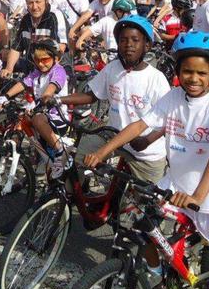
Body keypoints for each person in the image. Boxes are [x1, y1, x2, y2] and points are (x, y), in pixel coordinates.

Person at [84, 31, 209, 289]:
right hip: (176, 182)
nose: (193, 79)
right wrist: (103, 152)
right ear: (178, 71)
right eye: (186, 71)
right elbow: (138, 126)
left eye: (200, 73)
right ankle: (157, 272)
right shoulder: (173, 97)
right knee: (142, 222)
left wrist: (198, 195)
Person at [63, 15, 169, 184]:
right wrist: (58, 99)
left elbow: (168, 120)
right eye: (123, 40)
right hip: (113, 136)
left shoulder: (156, 79)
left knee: (146, 203)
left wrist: (147, 140)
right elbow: (92, 96)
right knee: (76, 161)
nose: (129, 45)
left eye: (135, 40)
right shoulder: (112, 68)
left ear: (147, 45)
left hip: (144, 149)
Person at [0, 40, 71, 178]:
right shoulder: (37, 72)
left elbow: (49, 92)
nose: (40, 63)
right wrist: (5, 96)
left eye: (45, 59)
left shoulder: (58, 71)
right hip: (42, 115)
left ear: (55, 58)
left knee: (36, 119)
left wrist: (38, 104)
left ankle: (60, 151)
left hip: (57, 118)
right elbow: (23, 83)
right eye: (37, 60)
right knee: (23, 120)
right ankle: (41, 159)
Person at [0, 0, 68, 77]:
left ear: (46, 1)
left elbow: (61, 47)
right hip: (32, 69)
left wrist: (44, 76)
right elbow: (17, 48)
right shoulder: (26, 19)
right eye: (30, 3)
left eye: (38, 2)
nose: (34, 7)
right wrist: (8, 69)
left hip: (54, 70)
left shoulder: (55, 16)